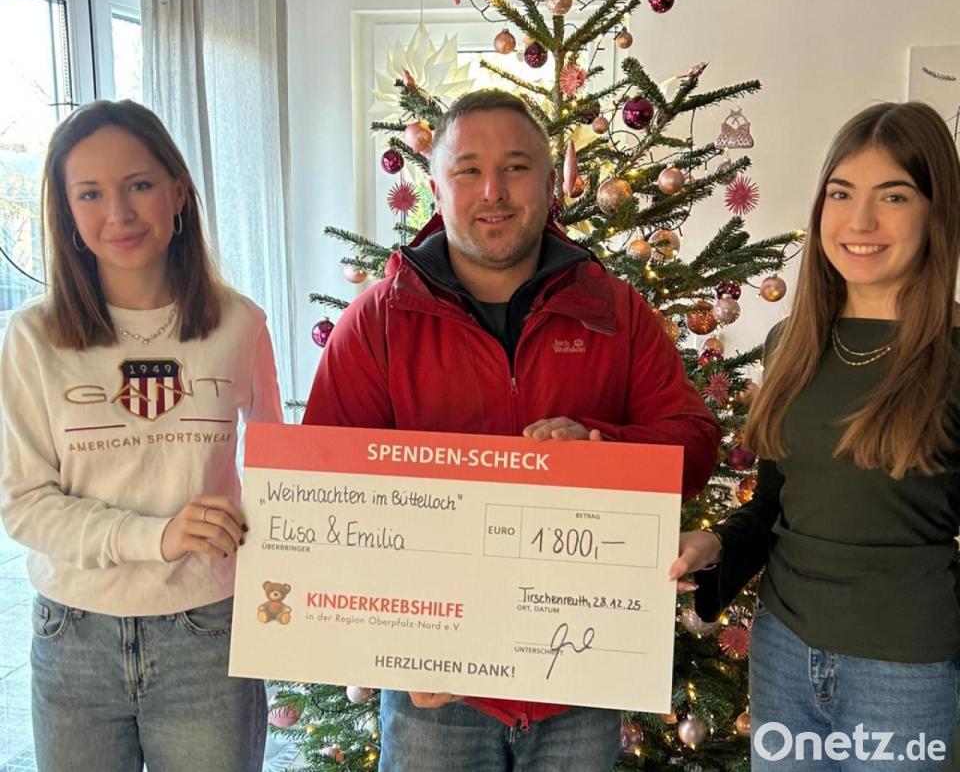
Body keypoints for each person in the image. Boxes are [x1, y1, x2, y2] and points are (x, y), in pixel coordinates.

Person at [303, 89, 721, 772]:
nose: (493, 191)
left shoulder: (615, 311)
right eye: (468, 170)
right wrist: (386, 646)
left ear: (551, 184)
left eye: (517, 167)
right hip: (433, 685)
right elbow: (324, 497)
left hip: (578, 675)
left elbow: (696, 445)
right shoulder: (376, 323)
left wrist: (601, 449)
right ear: (435, 187)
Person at [669, 102, 960, 771]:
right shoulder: (790, 342)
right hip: (784, 654)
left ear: (936, 212)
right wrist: (715, 545)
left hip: (906, 671)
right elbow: (776, 505)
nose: (860, 222)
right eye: (841, 193)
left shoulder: (953, 354)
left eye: (893, 196)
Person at [0, 100, 282, 772]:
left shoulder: (240, 325)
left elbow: (279, 476)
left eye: (139, 185)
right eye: (90, 193)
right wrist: (154, 537)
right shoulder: (32, 337)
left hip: (207, 632)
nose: (119, 213)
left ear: (178, 192)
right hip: (73, 635)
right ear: (67, 212)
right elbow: (22, 504)